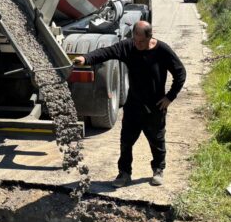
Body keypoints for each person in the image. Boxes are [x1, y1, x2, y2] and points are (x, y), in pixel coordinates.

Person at [73, 21, 186, 187]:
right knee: (126, 141)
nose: (137, 44)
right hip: (133, 105)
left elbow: (180, 72)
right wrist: (85, 58)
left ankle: (158, 169)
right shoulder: (128, 47)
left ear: (150, 37)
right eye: (135, 40)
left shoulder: (162, 50)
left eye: (141, 42)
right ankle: (124, 173)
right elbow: (106, 52)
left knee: (157, 140)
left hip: (155, 106)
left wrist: (170, 97)